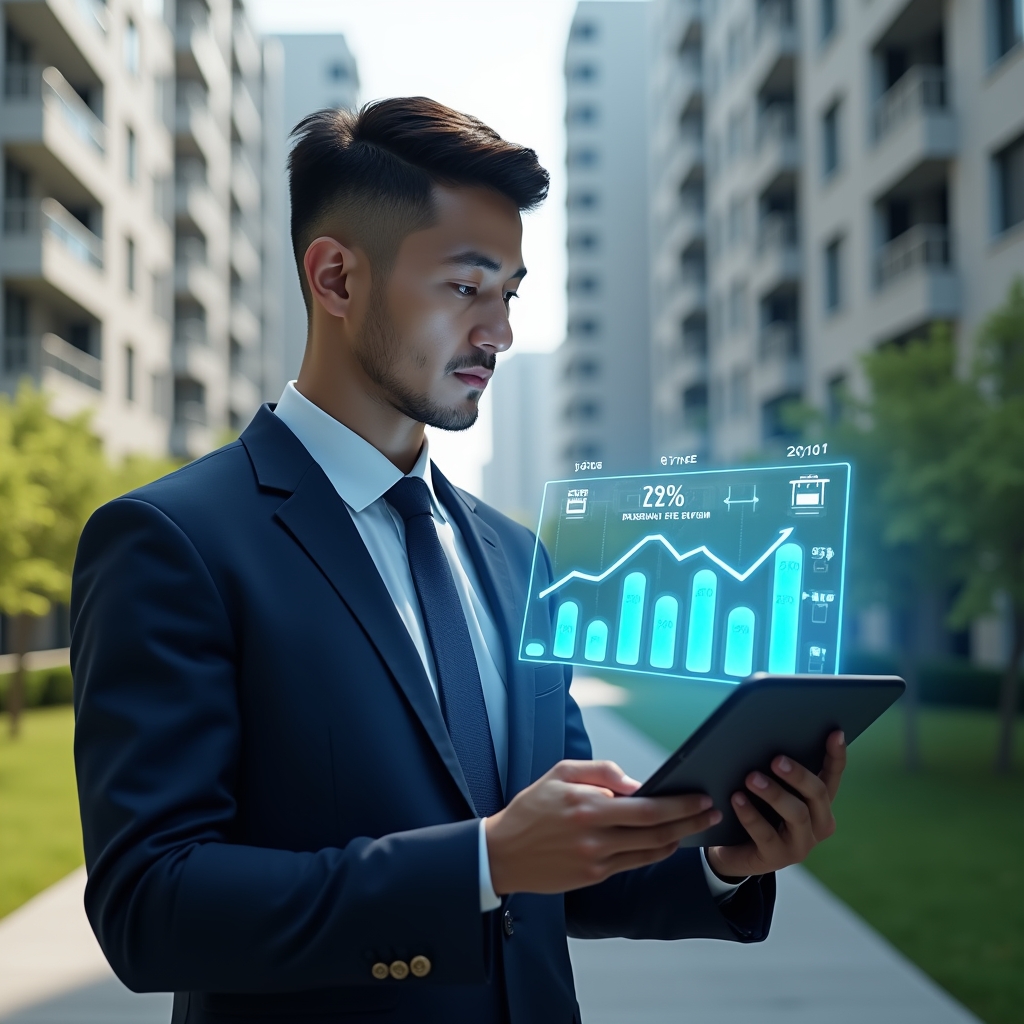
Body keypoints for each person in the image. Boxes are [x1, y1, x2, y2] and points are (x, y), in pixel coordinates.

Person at [71, 98, 847, 1024]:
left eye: (509, 293)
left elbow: (558, 871)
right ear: (336, 278)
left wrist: (722, 861)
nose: (500, 334)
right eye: (465, 287)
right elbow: (151, 906)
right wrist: (484, 861)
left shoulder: (518, 557)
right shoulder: (174, 541)